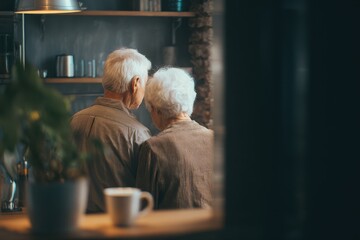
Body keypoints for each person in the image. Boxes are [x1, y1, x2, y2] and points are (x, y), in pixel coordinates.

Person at [70, 48, 152, 213]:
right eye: (145, 82)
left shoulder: (75, 120)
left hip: (74, 224)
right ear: (135, 83)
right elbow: (146, 194)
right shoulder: (138, 133)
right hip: (115, 226)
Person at [136, 67, 214, 209]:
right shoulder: (215, 140)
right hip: (215, 229)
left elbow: (143, 208)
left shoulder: (153, 148)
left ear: (156, 109)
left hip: (173, 230)